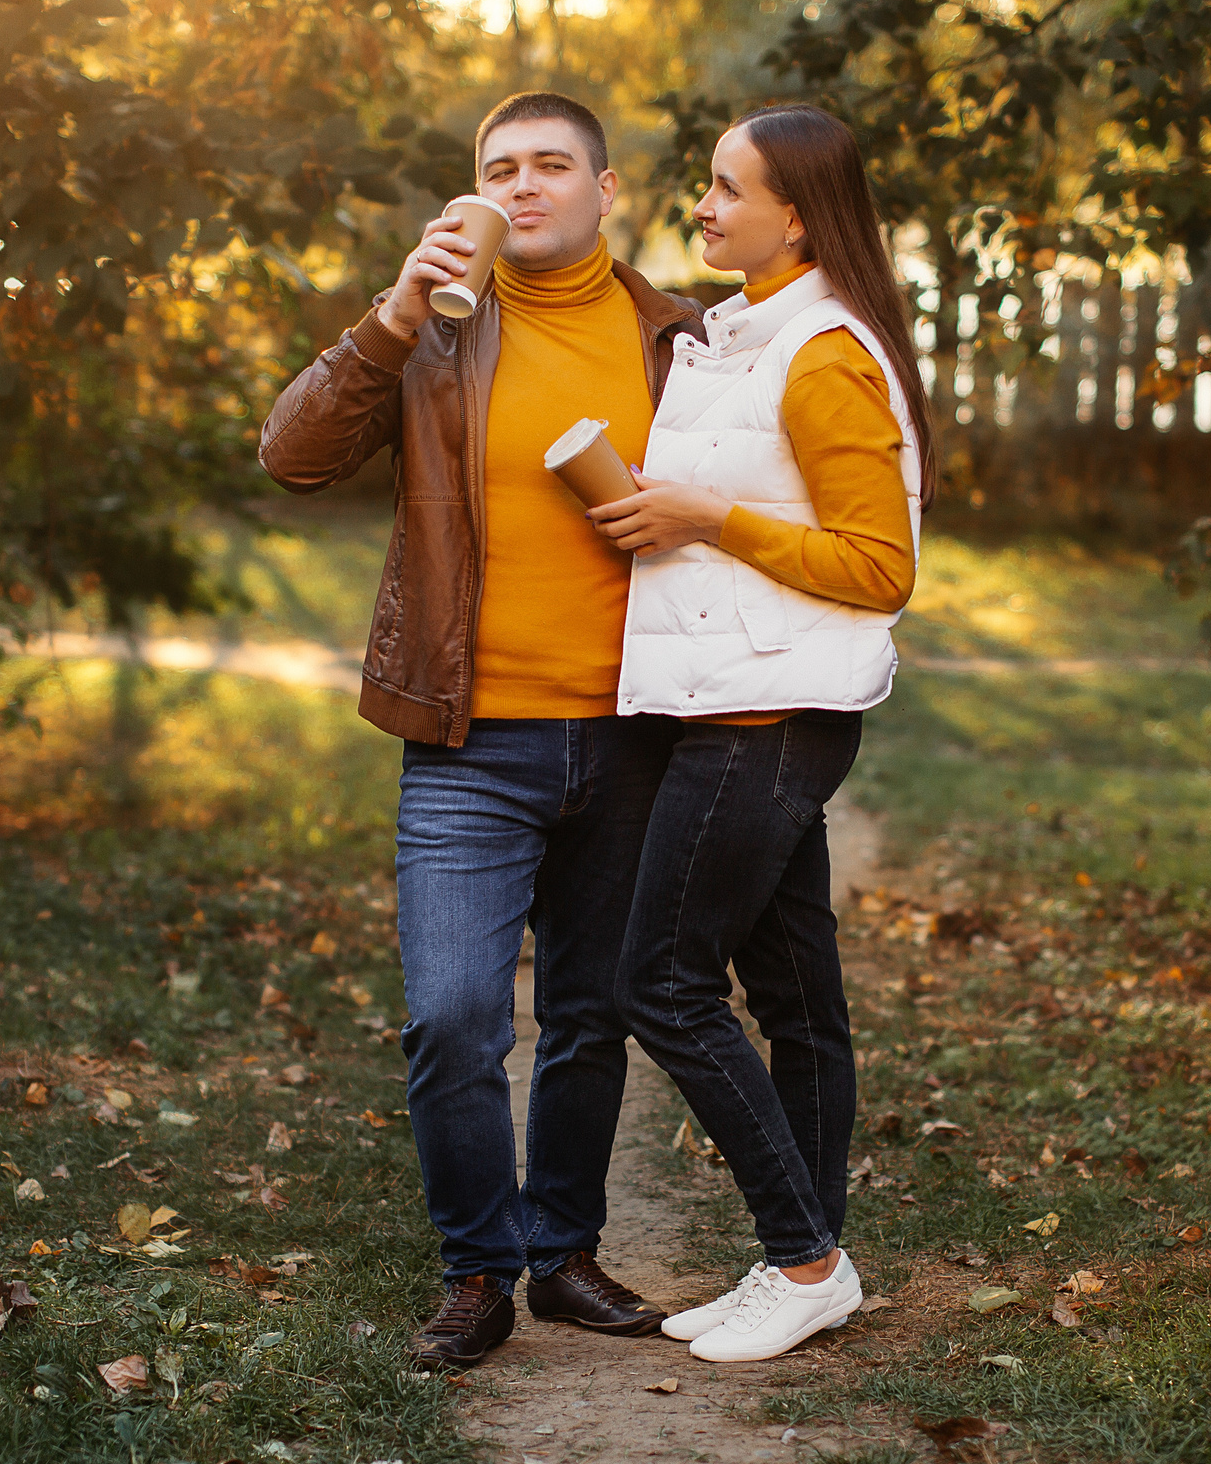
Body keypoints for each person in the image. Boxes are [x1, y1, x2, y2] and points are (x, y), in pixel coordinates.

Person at [259, 93, 705, 1370]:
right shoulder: (438, 330)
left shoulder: (681, 335)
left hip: (634, 732)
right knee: (454, 1015)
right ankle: (476, 1272)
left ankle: (560, 1256)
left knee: (588, 1012)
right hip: (468, 744)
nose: (523, 186)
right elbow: (290, 456)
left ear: (605, 190)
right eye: (499, 168)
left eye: (550, 165)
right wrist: (395, 313)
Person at [585, 104, 933, 1363]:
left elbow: (879, 564)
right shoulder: (740, 333)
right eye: (706, 187)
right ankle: (804, 1263)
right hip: (732, 703)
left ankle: (803, 1258)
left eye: (729, 191)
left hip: (767, 716)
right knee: (795, 999)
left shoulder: (825, 353)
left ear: (798, 213)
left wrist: (706, 515)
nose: (705, 207)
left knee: (661, 986)